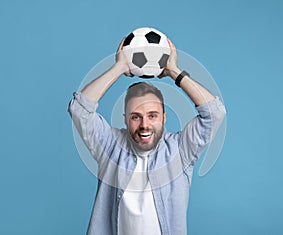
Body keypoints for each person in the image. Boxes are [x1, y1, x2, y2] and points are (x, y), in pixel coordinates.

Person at [68, 37, 226, 235]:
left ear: (164, 117)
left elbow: (215, 113)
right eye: (136, 116)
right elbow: (79, 109)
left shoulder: (181, 150)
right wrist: (120, 67)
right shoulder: (109, 146)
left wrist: (173, 72)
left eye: (152, 116)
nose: (144, 125)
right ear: (125, 118)